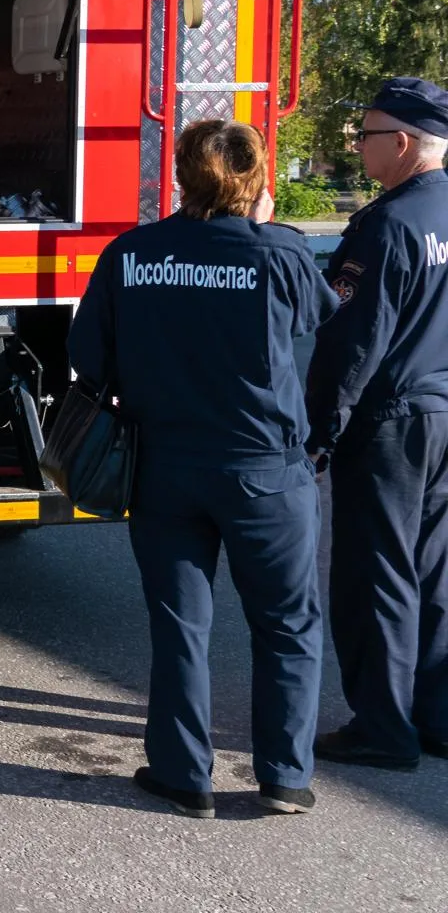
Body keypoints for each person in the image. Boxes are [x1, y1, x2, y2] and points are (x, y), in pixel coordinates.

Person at [70, 119, 337, 818]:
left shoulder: (131, 254)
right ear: (254, 182)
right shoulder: (280, 253)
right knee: (286, 624)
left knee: (179, 624)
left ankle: (184, 775)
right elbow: (320, 322)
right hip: (266, 472)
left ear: (181, 176)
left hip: (163, 465)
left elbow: (88, 360)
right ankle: (284, 776)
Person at [305, 77, 448, 771]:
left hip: (393, 421)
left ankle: (382, 729)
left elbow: (350, 344)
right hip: (446, 416)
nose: (355, 146)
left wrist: (319, 433)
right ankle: (438, 716)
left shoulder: (386, 224)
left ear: (400, 143)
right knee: (436, 570)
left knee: (377, 574)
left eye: (363, 135)